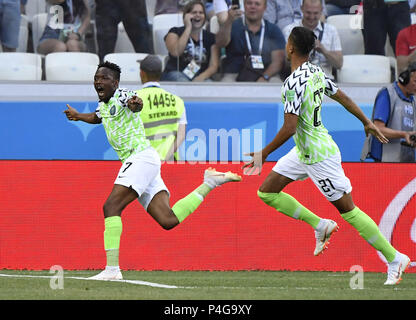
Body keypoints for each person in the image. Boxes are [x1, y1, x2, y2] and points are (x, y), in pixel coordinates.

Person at [243, 26, 411, 285]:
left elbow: (289, 127)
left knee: (348, 211)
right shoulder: (315, 72)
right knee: (267, 191)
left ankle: (394, 258)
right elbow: (341, 95)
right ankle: (320, 225)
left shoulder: (293, 82)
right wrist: (365, 121)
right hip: (304, 150)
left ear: (290, 48)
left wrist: (263, 155)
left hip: (319, 156)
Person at [63, 61, 242, 280]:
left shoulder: (122, 96)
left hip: (139, 158)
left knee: (111, 206)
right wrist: (78, 116)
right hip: (145, 161)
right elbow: (97, 117)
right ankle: (210, 182)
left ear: (115, 83)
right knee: (168, 220)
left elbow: (134, 103)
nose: (98, 81)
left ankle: (112, 270)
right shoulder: (104, 104)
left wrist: (135, 103)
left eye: (103, 78)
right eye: (96, 78)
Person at [215, 0, 286, 82]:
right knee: (226, 83)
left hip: (265, 74)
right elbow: (220, 43)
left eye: (257, 4)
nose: (253, 7)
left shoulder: (273, 30)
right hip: (234, 74)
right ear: (244, 5)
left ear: (265, 8)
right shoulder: (232, 25)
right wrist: (228, 21)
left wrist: (264, 77)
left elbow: (278, 62)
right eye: (249, 3)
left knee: (275, 83)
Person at [361, 62, 416, 162]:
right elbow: (378, 128)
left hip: (406, 161)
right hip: (385, 161)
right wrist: (404, 134)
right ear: (405, 78)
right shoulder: (387, 94)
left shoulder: (413, 100)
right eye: (415, 81)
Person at [137, 55, 187, 161]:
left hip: (144, 160)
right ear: (161, 73)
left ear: (142, 73)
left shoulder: (134, 99)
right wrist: (164, 157)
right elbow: (181, 136)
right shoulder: (177, 101)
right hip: (170, 160)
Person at [161, 0, 220, 82]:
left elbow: (213, 66)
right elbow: (176, 52)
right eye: (194, 12)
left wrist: (201, 77)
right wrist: (188, 28)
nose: (198, 15)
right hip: (176, 74)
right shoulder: (175, 32)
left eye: (201, 12)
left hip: (200, 76)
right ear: (186, 15)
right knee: (183, 82)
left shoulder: (210, 37)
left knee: (210, 85)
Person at [283, 0, 342, 80]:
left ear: (322, 10)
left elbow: (339, 64)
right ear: (301, 9)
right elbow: (285, 64)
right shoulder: (289, 30)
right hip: (299, 80)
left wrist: (323, 50)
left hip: (325, 81)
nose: (311, 17)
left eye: (315, 13)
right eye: (308, 13)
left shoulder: (331, 30)